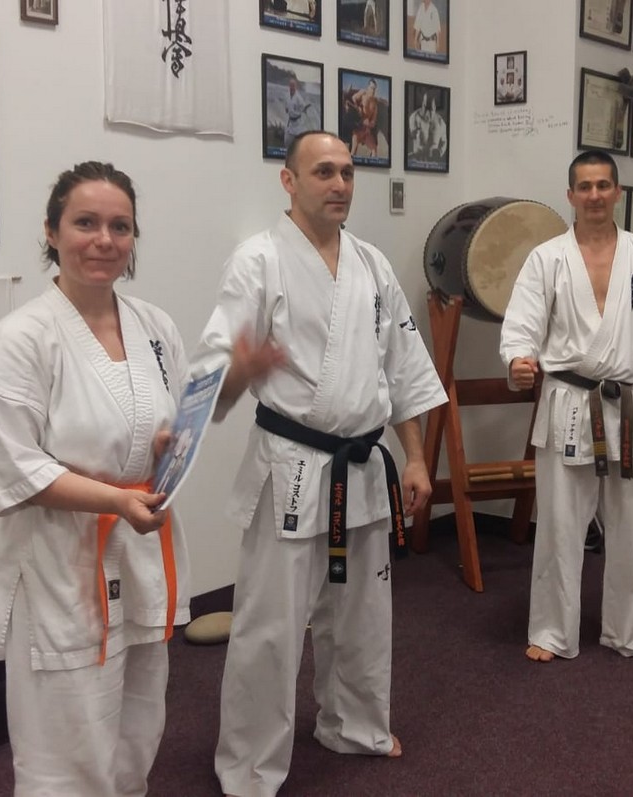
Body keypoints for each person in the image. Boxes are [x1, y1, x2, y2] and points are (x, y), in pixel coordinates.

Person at [202, 130, 447, 797]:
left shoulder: (372, 264)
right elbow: (215, 370)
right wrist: (237, 370)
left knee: (362, 613)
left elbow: (402, 369)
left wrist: (416, 457)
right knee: (270, 628)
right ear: (288, 181)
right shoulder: (256, 261)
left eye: (347, 172)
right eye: (323, 172)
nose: (339, 184)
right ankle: (250, 766)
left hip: (363, 465)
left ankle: (353, 725)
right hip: (290, 464)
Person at [0, 162, 209, 796]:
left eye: (119, 226)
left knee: (137, 724)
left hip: (139, 547)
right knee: (67, 736)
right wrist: (116, 500)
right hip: (59, 562)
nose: (104, 239)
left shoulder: (154, 326)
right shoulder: (21, 338)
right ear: (52, 232)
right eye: (85, 223)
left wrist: (166, 447)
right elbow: (15, 466)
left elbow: (166, 421)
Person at [500, 149, 633, 664]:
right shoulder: (547, 258)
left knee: (632, 527)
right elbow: (522, 323)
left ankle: (627, 629)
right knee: (560, 525)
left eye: (603, 185)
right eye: (584, 186)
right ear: (570, 195)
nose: (594, 195)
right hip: (569, 401)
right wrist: (519, 359)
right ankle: (551, 631)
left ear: (617, 192)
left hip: (628, 404)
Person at [282, 77, 314, 151]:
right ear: (289, 86)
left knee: (298, 145)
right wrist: (286, 109)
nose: (292, 87)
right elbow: (286, 107)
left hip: (298, 123)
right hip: (290, 123)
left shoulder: (299, 98)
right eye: (291, 85)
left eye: (293, 85)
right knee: (286, 142)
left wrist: (305, 109)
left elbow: (303, 107)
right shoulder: (286, 95)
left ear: (296, 86)